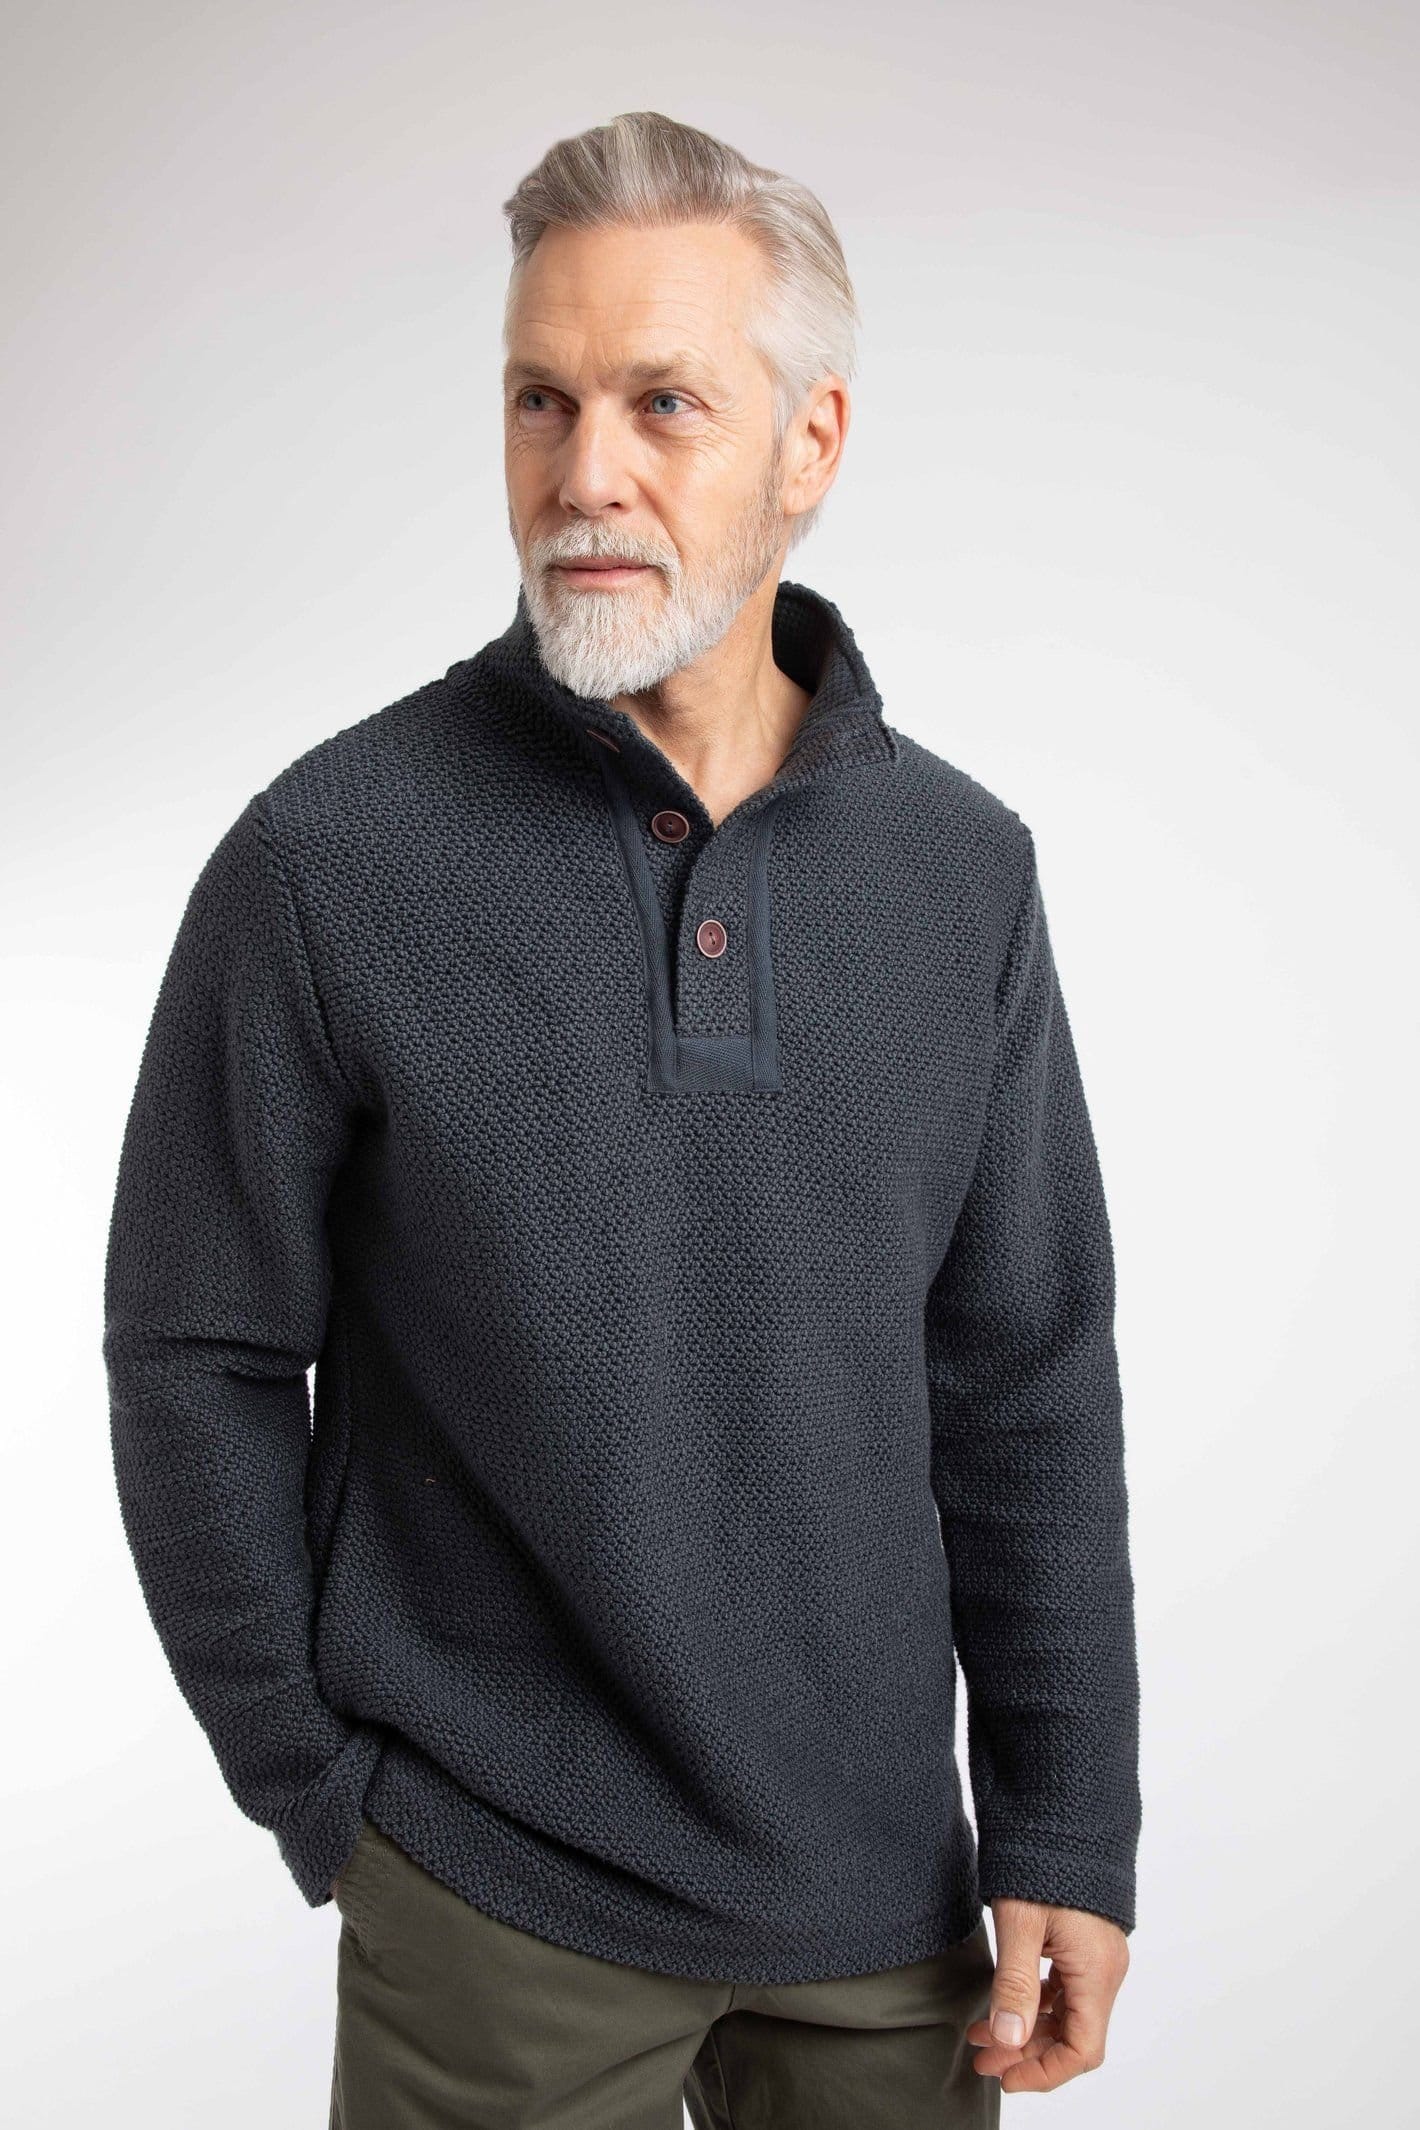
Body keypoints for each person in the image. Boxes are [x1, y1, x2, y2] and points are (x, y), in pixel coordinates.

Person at [103, 109, 1140, 2128]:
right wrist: (319, 1793)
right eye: (539, 399)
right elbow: (195, 1345)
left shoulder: (962, 875)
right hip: (489, 1894)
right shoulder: (328, 860)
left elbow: (1024, 1376)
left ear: (808, 445)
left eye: (663, 402)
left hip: (885, 1909)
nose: (584, 472)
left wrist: (1066, 1820)